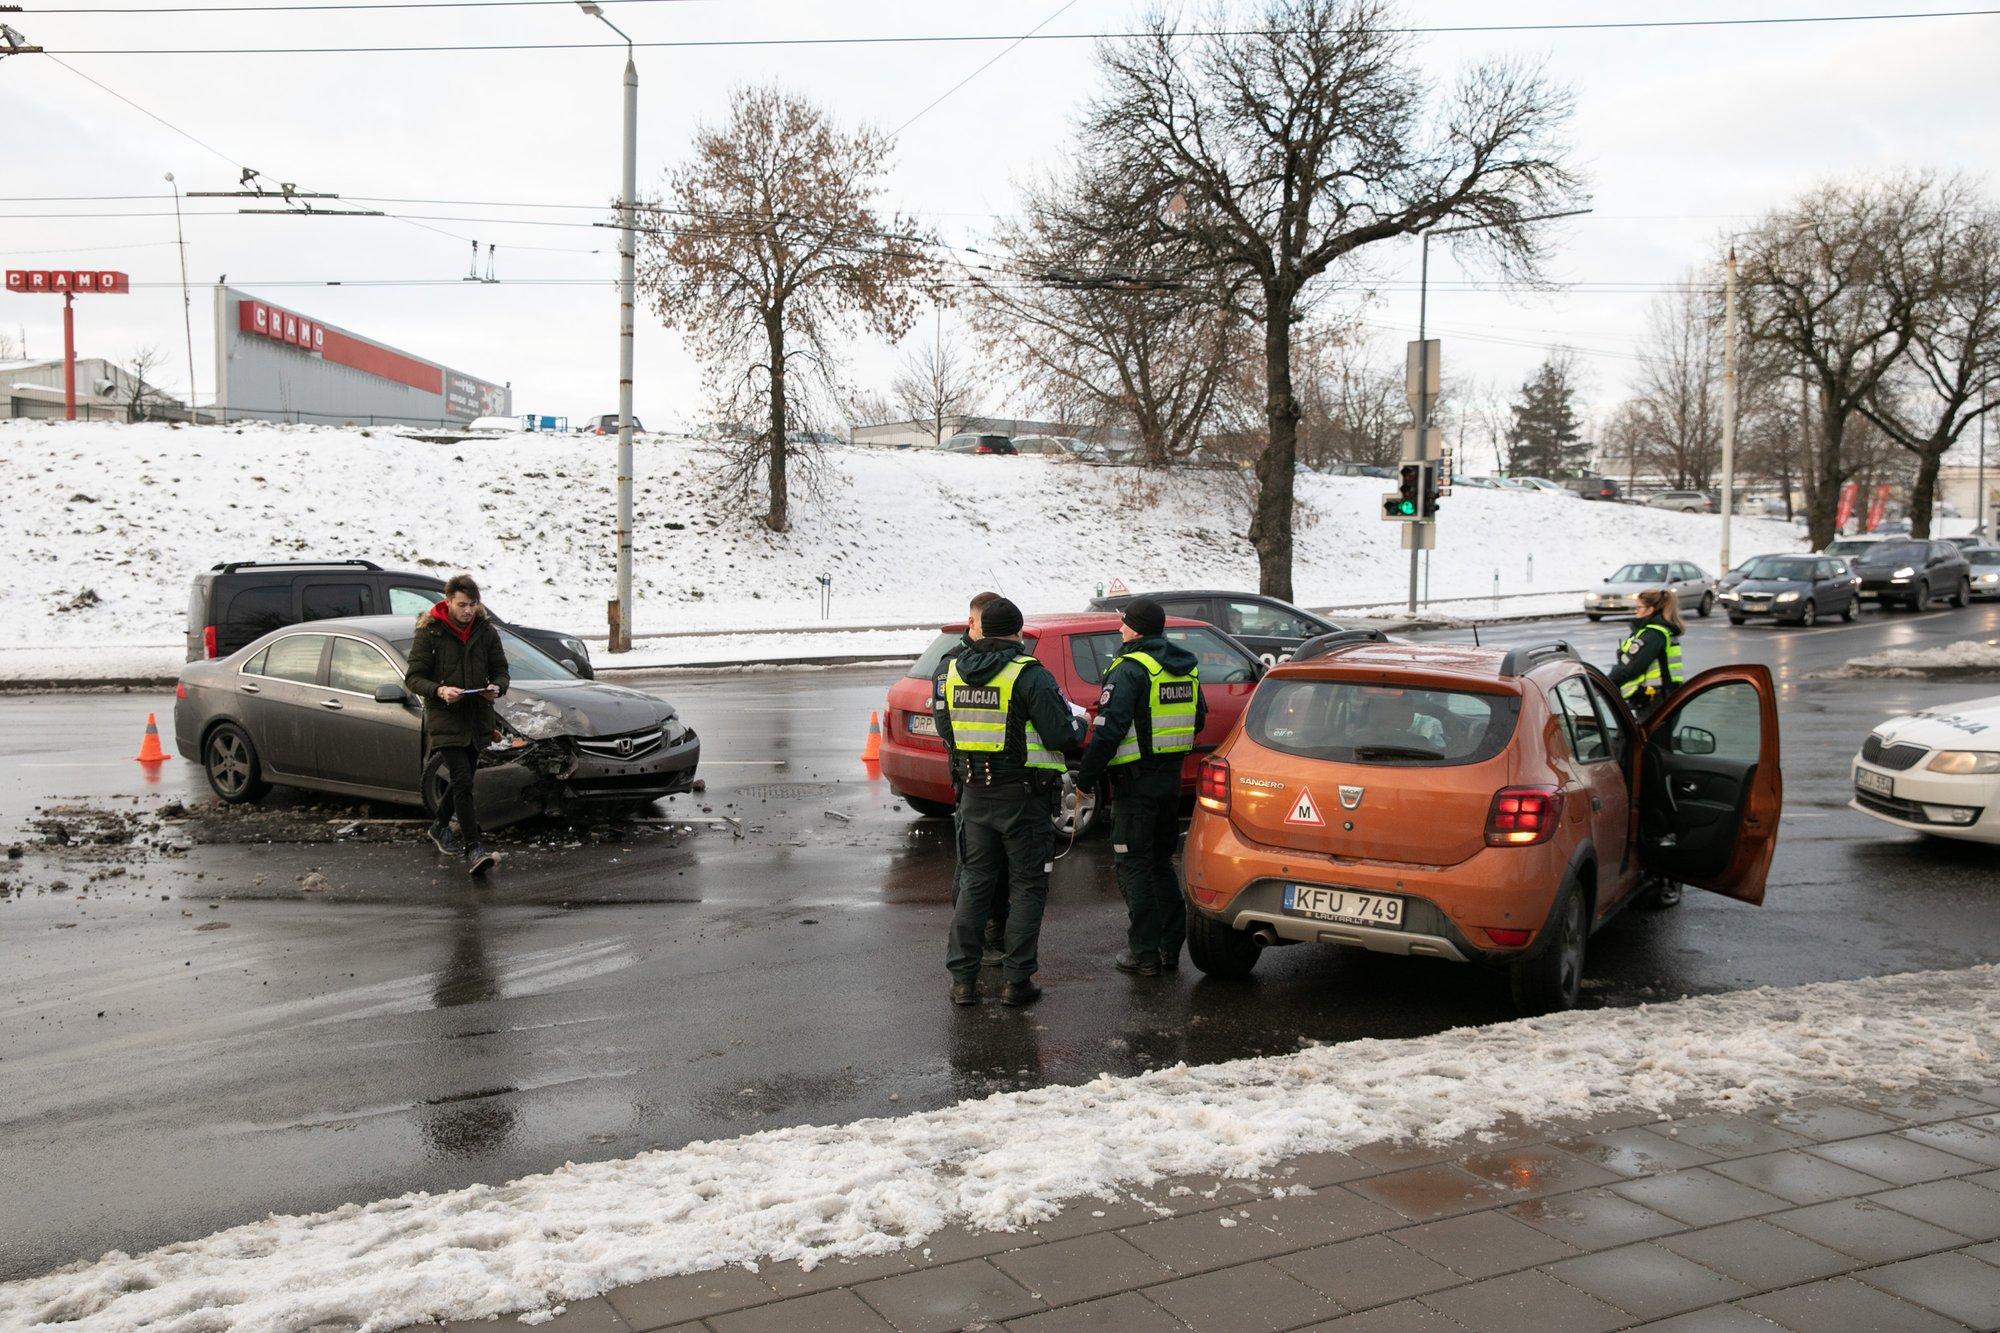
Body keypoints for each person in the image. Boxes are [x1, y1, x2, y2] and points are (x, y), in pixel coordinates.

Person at [935, 596, 1086, 1007]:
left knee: (974, 886)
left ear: (981, 629)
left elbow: (945, 727)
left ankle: (962, 981)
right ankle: (1016, 981)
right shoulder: (1028, 674)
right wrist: (1080, 722)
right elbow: (1061, 735)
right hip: (1023, 800)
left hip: (974, 795)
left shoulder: (951, 671)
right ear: (1017, 632)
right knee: (1027, 888)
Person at [1074, 598, 1206, 976]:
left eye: (1124, 624)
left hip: (1136, 787)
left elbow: (1108, 731)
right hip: (1170, 783)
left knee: (1133, 865)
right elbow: (1197, 721)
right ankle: (1168, 947)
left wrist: (1085, 778)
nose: (1119, 629)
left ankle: (1143, 951)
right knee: (1160, 863)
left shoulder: (1130, 669)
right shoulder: (1183, 667)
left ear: (1137, 629)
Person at [404, 574, 510, 876]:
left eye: (472, 605)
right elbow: (413, 678)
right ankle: (474, 847)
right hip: (445, 716)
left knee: (462, 780)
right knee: (462, 779)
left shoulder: (486, 631)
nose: (467, 611)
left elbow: (501, 670)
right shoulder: (430, 632)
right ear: (448, 601)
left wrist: (497, 688)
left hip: (477, 717)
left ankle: (439, 826)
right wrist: (439, 690)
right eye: (462, 605)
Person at [935, 591, 1010, 964]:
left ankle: (997, 933)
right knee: (972, 864)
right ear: (972, 623)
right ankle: (973, 941)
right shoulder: (951, 664)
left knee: (1001, 865)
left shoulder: (1006, 661)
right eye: (986, 622)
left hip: (1006, 781)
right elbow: (945, 725)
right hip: (970, 777)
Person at [1605, 586, 1685, 720]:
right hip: (1662, 697)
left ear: (1651, 610)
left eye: (1639, 608)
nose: (1636, 611)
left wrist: (1607, 683)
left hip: (1656, 701)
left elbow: (1631, 668)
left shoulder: (1653, 634)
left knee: (1647, 739)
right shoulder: (1657, 631)